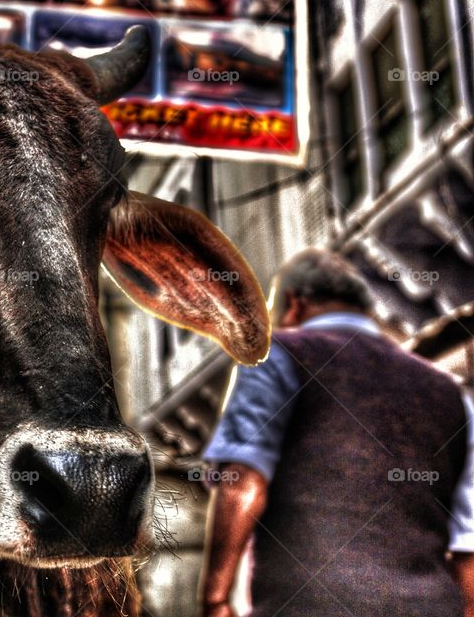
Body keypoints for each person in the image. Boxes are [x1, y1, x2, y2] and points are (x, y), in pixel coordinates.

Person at [200, 249, 474, 617]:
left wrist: (215, 599)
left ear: (293, 305)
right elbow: (468, 545)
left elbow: (243, 484)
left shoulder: (277, 355)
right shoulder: (449, 392)